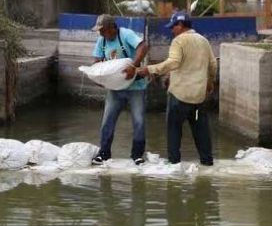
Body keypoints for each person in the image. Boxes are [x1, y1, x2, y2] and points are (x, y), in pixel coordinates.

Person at [137, 12, 216, 166]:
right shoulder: (203, 40)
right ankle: (207, 162)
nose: (172, 30)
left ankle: (174, 163)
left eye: (173, 27)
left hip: (179, 97)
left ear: (180, 26)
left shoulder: (178, 41)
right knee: (201, 131)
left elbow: (173, 62)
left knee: (174, 131)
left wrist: (149, 69)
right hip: (198, 98)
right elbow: (213, 65)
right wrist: (210, 82)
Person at [90, 14, 149, 165]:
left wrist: (133, 66)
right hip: (115, 88)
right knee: (107, 120)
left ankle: (137, 155)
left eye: (103, 30)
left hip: (136, 87)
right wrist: (98, 77)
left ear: (112, 27)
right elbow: (96, 62)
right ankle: (104, 153)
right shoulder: (101, 41)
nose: (101, 34)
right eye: (100, 32)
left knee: (139, 120)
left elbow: (143, 46)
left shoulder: (126, 34)